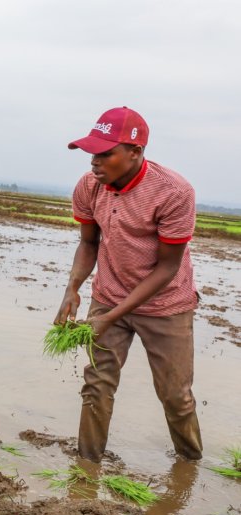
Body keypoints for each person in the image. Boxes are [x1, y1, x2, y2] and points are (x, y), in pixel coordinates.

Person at [54, 106, 202, 462]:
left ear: (135, 152)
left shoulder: (173, 192)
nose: (94, 163)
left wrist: (111, 316)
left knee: (175, 395)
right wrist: (72, 288)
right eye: (92, 154)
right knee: (97, 385)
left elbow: (167, 269)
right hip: (109, 296)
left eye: (105, 154)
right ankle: (86, 469)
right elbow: (89, 243)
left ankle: (189, 464)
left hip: (166, 305)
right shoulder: (90, 186)